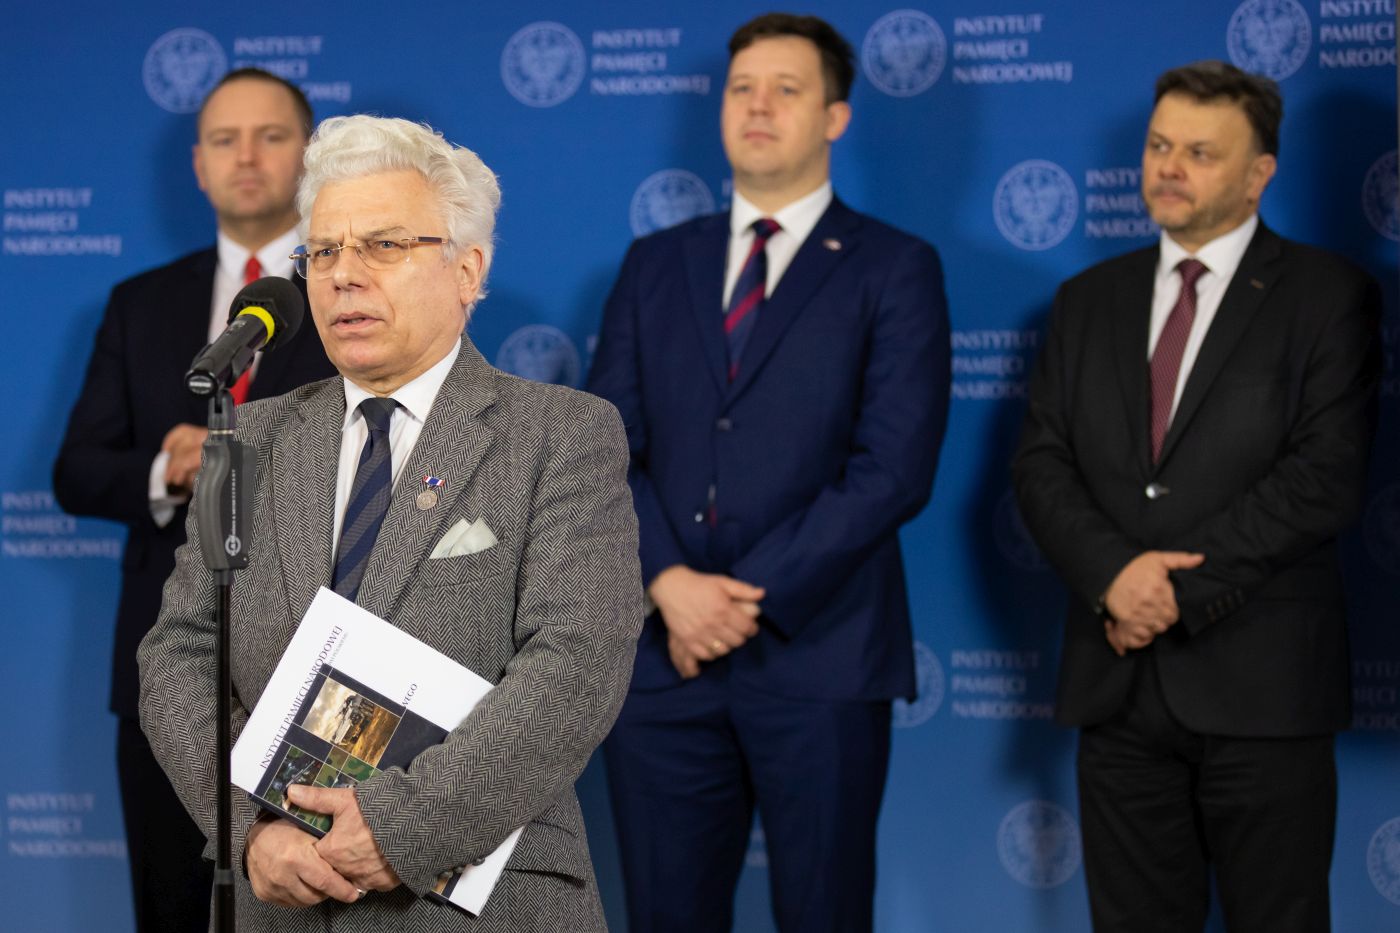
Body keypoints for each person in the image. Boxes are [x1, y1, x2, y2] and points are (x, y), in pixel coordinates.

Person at [137, 114, 642, 930]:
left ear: (468, 269)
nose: (344, 275)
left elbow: (575, 667)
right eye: (323, 252)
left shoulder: (560, 433)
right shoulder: (252, 437)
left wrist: (401, 827)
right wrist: (251, 829)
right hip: (282, 902)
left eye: (383, 245)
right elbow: (182, 651)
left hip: (478, 904)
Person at [587, 13, 951, 932]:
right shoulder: (653, 263)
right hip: (662, 658)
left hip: (820, 655)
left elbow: (893, 468)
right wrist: (669, 584)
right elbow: (604, 448)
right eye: (742, 87)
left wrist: (740, 600)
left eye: (786, 90)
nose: (758, 106)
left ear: (835, 117)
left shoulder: (896, 267)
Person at [1012, 60, 1380, 932]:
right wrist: (1114, 577)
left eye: (1200, 153)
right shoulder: (1085, 301)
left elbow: (1323, 477)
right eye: (1158, 146)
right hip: (1117, 685)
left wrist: (1173, 589)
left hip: (1264, 688)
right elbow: (1041, 464)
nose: (1168, 168)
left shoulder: (1327, 296)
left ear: (1259, 174)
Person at [52, 67, 334, 932]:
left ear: (308, 156)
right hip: (164, 664)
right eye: (224, 140)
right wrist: (166, 469)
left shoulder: (348, 292)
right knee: (171, 907)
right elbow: (76, 470)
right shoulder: (140, 303)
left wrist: (242, 462)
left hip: (313, 663)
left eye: (270, 136)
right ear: (199, 166)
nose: (246, 157)